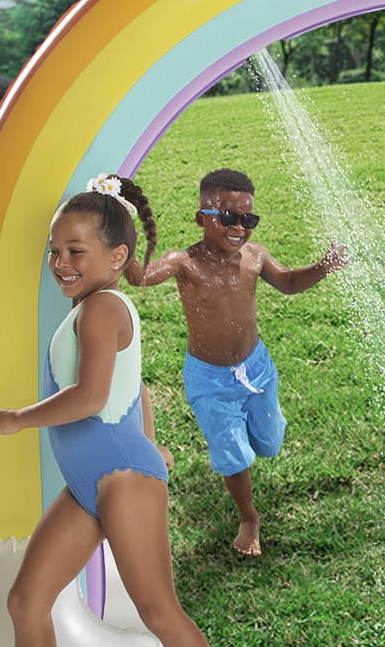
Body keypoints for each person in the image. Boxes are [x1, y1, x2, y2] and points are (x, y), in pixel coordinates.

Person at [0, 173, 239, 647]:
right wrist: (151, 433)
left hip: (121, 480)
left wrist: (18, 418)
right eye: (56, 250)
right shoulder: (89, 310)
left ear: (117, 258)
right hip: (93, 481)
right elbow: (132, 382)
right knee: (25, 601)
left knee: (157, 609)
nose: (61, 262)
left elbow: (92, 396)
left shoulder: (102, 307)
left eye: (76, 251)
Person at [125, 167, 346, 558]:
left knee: (270, 443)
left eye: (248, 219)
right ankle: (249, 518)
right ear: (201, 218)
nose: (238, 227)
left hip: (257, 368)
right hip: (209, 379)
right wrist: (121, 234)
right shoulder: (184, 262)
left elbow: (289, 283)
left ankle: (254, 430)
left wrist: (324, 266)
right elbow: (140, 277)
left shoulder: (254, 257)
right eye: (227, 217)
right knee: (234, 455)